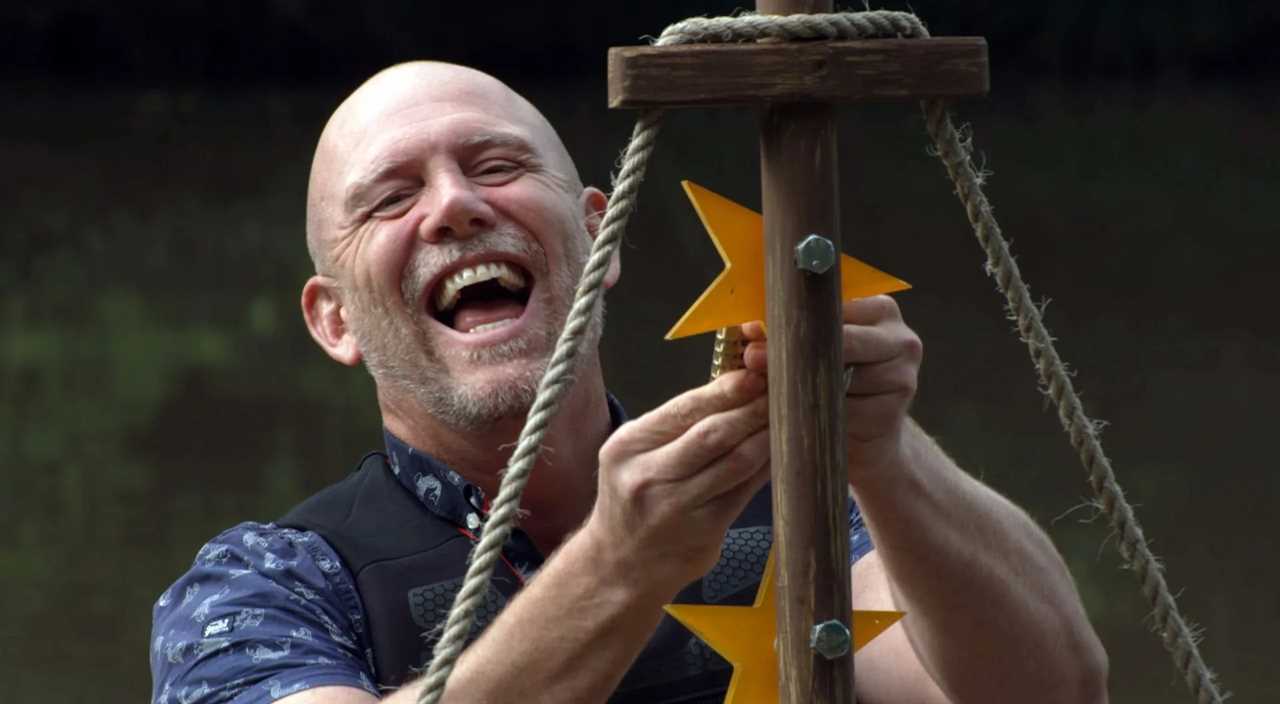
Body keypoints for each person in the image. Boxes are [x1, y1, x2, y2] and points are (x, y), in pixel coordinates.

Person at [149, 61, 1108, 704]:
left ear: (599, 239)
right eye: (392, 198)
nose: (454, 206)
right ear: (335, 319)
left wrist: (884, 453)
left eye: (495, 165)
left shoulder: (800, 506)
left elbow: (1056, 691)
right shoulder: (261, 584)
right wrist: (624, 562)